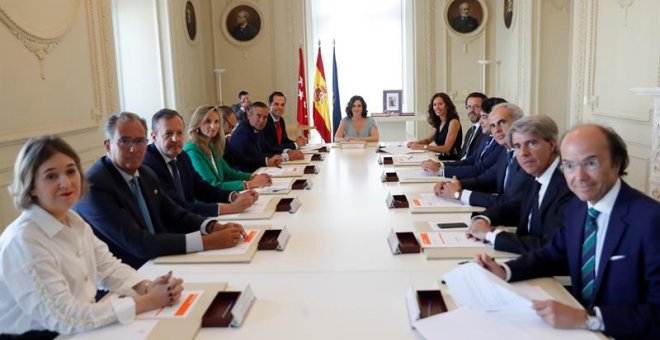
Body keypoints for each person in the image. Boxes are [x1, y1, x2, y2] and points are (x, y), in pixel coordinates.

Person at [476, 124, 660, 339]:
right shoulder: (577, 207)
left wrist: (587, 319)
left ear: (617, 163)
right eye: (569, 166)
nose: (579, 176)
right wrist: (506, 270)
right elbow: (554, 254)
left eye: (590, 163)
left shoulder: (651, 221)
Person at [0, 135, 183, 336]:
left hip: (84, 325)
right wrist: (148, 301)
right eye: (51, 176)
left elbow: (107, 267)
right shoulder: (23, 240)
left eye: (71, 171)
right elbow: (65, 317)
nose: (66, 182)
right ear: (31, 186)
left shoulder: (74, 220)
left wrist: (147, 286)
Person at [75, 112, 246, 269]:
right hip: (127, 274)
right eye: (125, 141)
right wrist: (207, 241)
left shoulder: (144, 173)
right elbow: (139, 243)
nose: (133, 149)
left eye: (139, 141)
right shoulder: (95, 186)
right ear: (107, 145)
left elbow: (174, 213)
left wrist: (213, 226)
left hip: (160, 259)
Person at [465, 115, 574, 254]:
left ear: (552, 145)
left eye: (531, 143)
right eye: (517, 146)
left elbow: (552, 246)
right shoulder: (536, 173)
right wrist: (483, 219)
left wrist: (491, 235)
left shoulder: (568, 185)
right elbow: (515, 208)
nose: (523, 153)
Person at [143, 108, 259, 217]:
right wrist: (231, 208)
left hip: (191, 218)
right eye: (168, 133)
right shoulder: (149, 165)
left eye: (179, 133)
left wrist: (233, 196)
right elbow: (177, 207)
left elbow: (201, 187)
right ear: (154, 136)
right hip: (175, 228)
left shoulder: (182, 156)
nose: (175, 139)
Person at [433, 103, 532, 208]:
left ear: (518, 123)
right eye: (493, 126)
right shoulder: (507, 152)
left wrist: (459, 194)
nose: (497, 130)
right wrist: (450, 185)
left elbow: (509, 203)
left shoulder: (526, 158)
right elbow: (484, 180)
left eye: (502, 122)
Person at [183, 105, 273, 192]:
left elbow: (229, 174)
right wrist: (249, 184)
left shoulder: (212, 146)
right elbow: (211, 186)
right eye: (208, 121)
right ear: (198, 123)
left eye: (216, 121)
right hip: (206, 205)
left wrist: (253, 176)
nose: (213, 126)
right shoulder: (192, 150)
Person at [422, 97, 507, 179]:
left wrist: (441, 171)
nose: (480, 121)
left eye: (484, 117)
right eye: (468, 106)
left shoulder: (502, 144)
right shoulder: (486, 137)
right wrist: (440, 165)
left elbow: (479, 170)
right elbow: (469, 161)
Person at [228, 102, 296, 172]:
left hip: (257, 170)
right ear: (249, 115)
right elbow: (251, 159)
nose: (261, 120)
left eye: (265, 117)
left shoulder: (256, 128)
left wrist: (284, 155)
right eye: (258, 116)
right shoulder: (243, 133)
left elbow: (265, 149)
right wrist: (284, 157)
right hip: (245, 175)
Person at [407, 92, 463, 160]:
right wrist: (415, 143)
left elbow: (446, 148)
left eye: (440, 104)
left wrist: (422, 147)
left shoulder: (454, 122)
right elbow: (428, 140)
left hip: (452, 160)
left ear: (447, 106)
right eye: (434, 105)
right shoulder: (440, 122)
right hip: (441, 157)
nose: (437, 107)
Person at [457, 92, 487, 160]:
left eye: (476, 106)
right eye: (469, 106)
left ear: (485, 109)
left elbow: (475, 162)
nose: (471, 110)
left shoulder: (485, 131)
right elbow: (461, 156)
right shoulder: (470, 131)